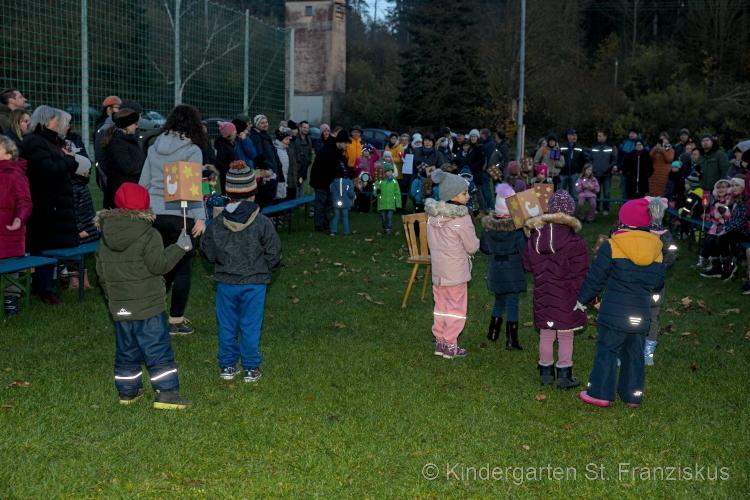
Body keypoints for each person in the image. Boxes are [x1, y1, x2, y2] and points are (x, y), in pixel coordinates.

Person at [95, 182, 193, 409]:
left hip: (120, 307)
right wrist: (179, 248)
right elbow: (159, 265)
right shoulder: (149, 234)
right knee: (157, 348)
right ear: (146, 206)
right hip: (148, 306)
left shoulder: (105, 236)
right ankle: (167, 393)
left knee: (126, 349)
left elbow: (101, 273)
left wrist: (112, 298)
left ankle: (128, 392)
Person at [578, 198, 665, 408]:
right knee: (634, 354)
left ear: (624, 221)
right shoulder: (657, 248)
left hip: (614, 313)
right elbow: (657, 283)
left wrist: (582, 299)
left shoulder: (612, 245)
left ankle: (599, 393)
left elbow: (596, 277)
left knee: (607, 350)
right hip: (641, 314)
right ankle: (632, 395)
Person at [200, 163, 282, 384]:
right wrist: (264, 269)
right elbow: (274, 252)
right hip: (254, 284)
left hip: (226, 282)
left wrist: (220, 262)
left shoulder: (217, 222)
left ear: (228, 193)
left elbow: (207, 250)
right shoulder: (263, 222)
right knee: (250, 326)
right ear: (253, 192)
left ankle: (228, 365)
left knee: (227, 325)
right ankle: (251, 368)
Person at [138, 104, 207, 335]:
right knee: (183, 270)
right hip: (180, 216)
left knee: (160, 268)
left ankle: (151, 314)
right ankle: (175, 321)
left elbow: (143, 183)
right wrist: (201, 217)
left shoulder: (153, 148)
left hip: (154, 215)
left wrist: (140, 212)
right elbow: (193, 189)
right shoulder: (192, 150)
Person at [523, 190, 589, 387]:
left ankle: (545, 372)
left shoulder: (535, 237)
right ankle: (564, 374)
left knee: (546, 333)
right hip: (567, 295)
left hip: (543, 293)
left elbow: (527, 265)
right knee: (566, 335)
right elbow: (581, 271)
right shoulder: (577, 242)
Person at [21, 106, 79, 304]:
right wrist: (69, 161)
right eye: (57, 120)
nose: (60, 124)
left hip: (54, 203)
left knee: (50, 245)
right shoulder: (34, 142)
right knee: (43, 246)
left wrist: (68, 160)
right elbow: (49, 169)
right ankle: (43, 288)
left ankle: (46, 286)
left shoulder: (52, 142)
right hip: (43, 204)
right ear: (45, 121)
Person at [426, 169, 479, 358]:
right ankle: (450, 344)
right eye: (464, 193)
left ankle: (440, 341)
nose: (468, 196)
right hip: (456, 272)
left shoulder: (432, 217)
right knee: (456, 309)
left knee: (440, 306)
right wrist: (477, 242)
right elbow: (472, 246)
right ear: (453, 195)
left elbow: (431, 242)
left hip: (439, 271)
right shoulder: (461, 218)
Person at [480, 183, 527, 350]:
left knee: (499, 299)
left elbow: (484, 248)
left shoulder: (488, 228)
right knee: (512, 301)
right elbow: (524, 250)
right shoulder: (517, 230)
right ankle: (512, 340)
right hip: (513, 270)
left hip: (496, 269)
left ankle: (493, 332)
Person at [0, 136, 32, 317]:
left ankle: (11, 300)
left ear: (9, 152)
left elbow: (24, 202)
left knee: (11, 267)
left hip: (9, 230)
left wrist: (19, 219)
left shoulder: (15, 173)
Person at [644, 197, 678, 365]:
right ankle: (643, 351)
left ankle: (646, 351)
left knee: (650, 314)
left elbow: (671, 253)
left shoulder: (662, 234)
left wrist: (660, 266)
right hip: (650, 280)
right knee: (650, 315)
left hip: (650, 282)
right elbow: (671, 254)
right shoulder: (660, 233)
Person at [700, 178, 747, 280]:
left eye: (737, 185)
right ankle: (717, 267)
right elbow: (727, 217)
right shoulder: (733, 199)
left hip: (743, 230)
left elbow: (741, 220)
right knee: (712, 238)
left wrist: (726, 229)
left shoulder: (744, 201)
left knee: (721, 238)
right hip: (729, 227)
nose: (734, 188)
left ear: (744, 187)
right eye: (732, 186)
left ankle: (728, 268)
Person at [101, 108, 145, 209]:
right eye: (135, 123)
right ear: (126, 124)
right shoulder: (118, 143)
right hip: (121, 195)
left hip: (127, 192)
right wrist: (145, 165)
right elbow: (128, 167)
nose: (137, 126)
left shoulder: (128, 140)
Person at [310, 129, 349, 232]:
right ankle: (319, 226)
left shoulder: (337, 151)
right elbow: (326, 169)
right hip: (320, 181)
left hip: (328, 182)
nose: (347, 145)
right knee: (321, 204)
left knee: (328, 204)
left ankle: (326, 225)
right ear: (340, 142)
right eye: (346, 143)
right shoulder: (329, 150)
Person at [249, 114, 283, 207]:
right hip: (265, 173)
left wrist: (277, 166)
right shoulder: (256, 137)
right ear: (256, 124)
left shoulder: (266, 136)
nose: (265, 124)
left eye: (266, 122)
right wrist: (269, 169)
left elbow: (273, 153)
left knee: (270, 199)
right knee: (264, 200)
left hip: (272, 172)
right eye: (262, 123)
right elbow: (259, 156)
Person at [590, 130, 617, 215]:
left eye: (600, 136)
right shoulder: (594, 147)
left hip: (606, 174)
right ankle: (596, 208)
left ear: (605, 137)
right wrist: (593, 168)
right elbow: (590, 159)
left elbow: (614, 160)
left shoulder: (611, 147)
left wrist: (608, 168)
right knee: (596, 192)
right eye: (598, 136)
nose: (598, 137)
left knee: (607, 193)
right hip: (596, 174)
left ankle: (606, 209)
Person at [374, 163, 402, 234]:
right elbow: (375, 190)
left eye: (391, 171)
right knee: (383, 217)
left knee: (389, 217)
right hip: (382, 203)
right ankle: (385, 228)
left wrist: (398, 203)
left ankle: (389, 229)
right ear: (384, 172)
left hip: (391, 203)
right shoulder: (380, 181)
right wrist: (377, 191)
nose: (389, 172)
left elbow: (397, 193)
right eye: (387, 171)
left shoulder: (394, 181)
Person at [559, 129, 587, 198]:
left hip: (575, 174)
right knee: (560, 194)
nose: (575, 137)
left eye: (576, 135)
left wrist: (581, 172)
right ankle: (561, 205)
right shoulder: (561, 147)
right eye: (573, 135)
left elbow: (584, 161)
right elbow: (557, 159)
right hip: (562, 174)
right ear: (568, 136)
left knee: (574, 194)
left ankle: (573, 205)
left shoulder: (580, 147)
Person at [329, 164, 356, 235]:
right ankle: (346, 232)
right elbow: (350, 193)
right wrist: (354, 196)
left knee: (336, 216)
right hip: (345, 202)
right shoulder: (348, 182)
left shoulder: (333, 182)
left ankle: (333, 231)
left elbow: (331, 191)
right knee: (345, 217)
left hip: (336, 202)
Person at [214, 121, 238, 194]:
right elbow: (219, 163)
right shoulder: (224, 146)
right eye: (234, 130)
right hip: (227, 178)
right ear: (229, 134)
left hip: (230, 176)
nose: (236, 132)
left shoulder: (229, 144)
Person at [648, 132, 675, 196]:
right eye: (661, 139)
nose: (663, 140)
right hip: (654, 174)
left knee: (663, 192)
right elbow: (649, 158)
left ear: (668, 140)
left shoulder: (670, 149)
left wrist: (663, 150)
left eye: (664, 139)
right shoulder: (655, 148)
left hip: (664, 174)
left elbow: (669, 159)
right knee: (653, 191)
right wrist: (654, 149)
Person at [274, 127, 296, 200]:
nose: (288, 141)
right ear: (280, 140)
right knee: (278, 199)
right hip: (279, 180)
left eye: (288, 139)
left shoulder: (284, 149)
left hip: (284, 180)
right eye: (286, 139)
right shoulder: (278, 150)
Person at [294, 120, 314, 194]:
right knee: (295, 188)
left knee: (301, 187)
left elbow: (310, 153)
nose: (306, 129)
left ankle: (301, 201)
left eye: (307, 128)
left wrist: (309, 161)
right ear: (300, 127)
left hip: (304, 168)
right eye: (304, 127)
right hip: (296, 168)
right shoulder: (295, 138)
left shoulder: (308, 139)